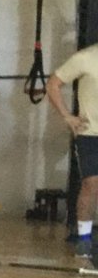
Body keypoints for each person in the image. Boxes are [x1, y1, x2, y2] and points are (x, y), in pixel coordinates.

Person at [47, 43, 98, 257]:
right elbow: (53, 84)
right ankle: (84, 239)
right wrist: (68, 117)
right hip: (90, 133)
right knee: (91, 184)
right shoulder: (86, 58)